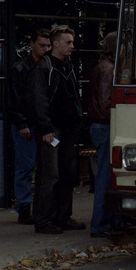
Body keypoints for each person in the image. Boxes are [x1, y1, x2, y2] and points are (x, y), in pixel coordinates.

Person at [26, 26, 84, 234]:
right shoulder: (44, 67)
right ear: (56, 43)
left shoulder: (66, 66)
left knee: (67, 174)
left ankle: (62, 216)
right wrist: (45, 127)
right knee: (49, 175)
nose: (72, 46)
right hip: (53, 129)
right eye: (68, 42)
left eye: (72, 42)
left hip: (67, 128)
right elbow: (38, 100)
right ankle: (43, 219)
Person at [87, 32, 131, 238]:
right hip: (106, 127)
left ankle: (109, 221)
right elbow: (106, 104)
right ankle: (101, 224)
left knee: (108, 177)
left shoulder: (105, 67)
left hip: (101, 126)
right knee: (106, 178)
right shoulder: (109, 70)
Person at [6, 29, 51, 225]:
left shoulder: (42, 66)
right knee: (25, 167)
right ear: (32, 44)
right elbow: (14, 99)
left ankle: (27, 205)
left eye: (48, 46)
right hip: (29, 124)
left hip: (37, 124)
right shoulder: (21, 69)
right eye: (42, 45)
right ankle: (24, 206)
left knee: (34, 166)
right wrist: (22, 123)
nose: (46, 49)